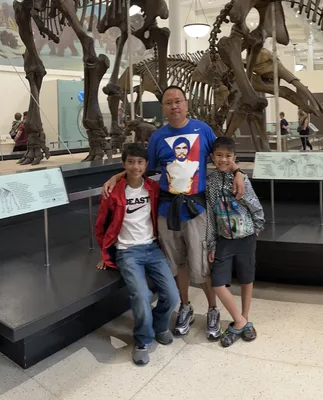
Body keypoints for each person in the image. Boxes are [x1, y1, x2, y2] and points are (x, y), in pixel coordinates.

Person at [102, 86, 245, 340]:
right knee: (176, 263)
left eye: (178, 101)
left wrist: (237, 172)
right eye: (168, 103)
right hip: (168, 210)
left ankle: (212, 309)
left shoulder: (203, 130)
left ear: (186, 103)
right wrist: (117, 175)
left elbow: (222, 156)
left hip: (196, 208)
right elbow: (142, 168)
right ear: (163, 108)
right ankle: (185, 306)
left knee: (201, 262)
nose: (174, 106)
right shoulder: (158, 137)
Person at [95, 143, 179, 365]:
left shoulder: (153, 188)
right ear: (124, 164)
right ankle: (143, 339)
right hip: (127, 252)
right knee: (140, 296)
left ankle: (160, 325)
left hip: (152, 248)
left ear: (146, 165)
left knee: (172, 295)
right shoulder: (113, 193)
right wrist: (105, 255)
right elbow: (101, 226)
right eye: (130, 162)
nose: (135, 166)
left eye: (140, 162)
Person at [206, 137, 264, 347]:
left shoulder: (241, 179)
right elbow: (212, 215)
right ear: (212, 157)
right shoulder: (210, 182)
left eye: (228, 156)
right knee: (218, 282)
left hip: (246, 236)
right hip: (224, 239)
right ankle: (240, 321)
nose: (223, 160)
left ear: (234, 158)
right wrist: (212, 242)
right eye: (219, 155)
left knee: (247, 278)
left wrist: (257, 226)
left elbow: (253, 203)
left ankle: (244, 318)